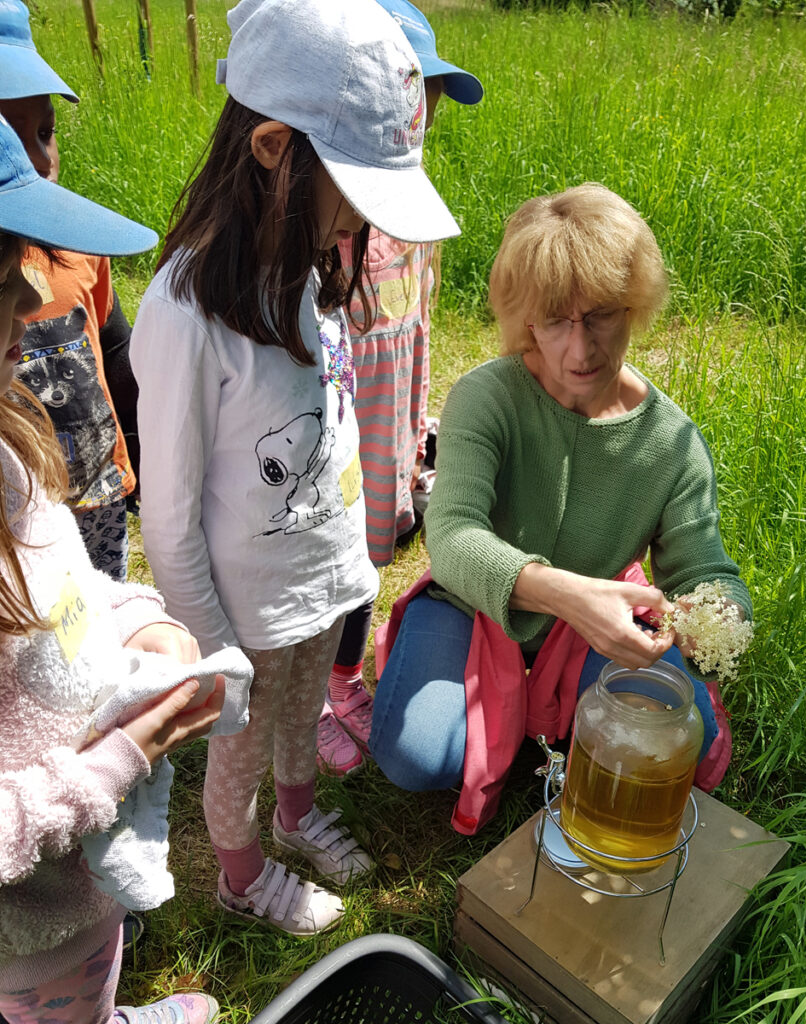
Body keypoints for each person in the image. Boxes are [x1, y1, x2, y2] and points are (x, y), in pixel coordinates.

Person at [130, 0, 459, 934]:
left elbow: (337, 418)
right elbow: (170, 514)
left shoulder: (310, 272)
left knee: (303, 710)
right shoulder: (185, 314)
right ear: (273, 150)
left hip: (322, 584)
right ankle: (239, 873)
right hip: (242, 616)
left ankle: (297, 811)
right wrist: (213, 646)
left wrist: (353, 562)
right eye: (353, 186)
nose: (361, 218)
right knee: (239, 745)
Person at [370, 183, 752, 834]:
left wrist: (715, 615)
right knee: (417, 754)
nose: (581, 350)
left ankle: (528, 714)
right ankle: (511, 714)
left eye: (600, 314)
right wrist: (566, 594)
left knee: (677, 738)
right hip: (475, 602)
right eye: (555, 320)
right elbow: (453, 535)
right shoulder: (485, 398)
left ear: (633, 306)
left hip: (597, 623)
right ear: (524, 319)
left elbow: (702, 568)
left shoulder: (672, 444)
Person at [0, 117, 224, 1024]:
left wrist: (139, 619)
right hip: (30, 926)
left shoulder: (7, 449)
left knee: (97, 972)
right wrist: (121, 758)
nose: (28, 290)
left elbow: (69, 587)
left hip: (81, 887)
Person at [317, 0, 483, 776]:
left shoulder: (413, 213)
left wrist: (418, 428)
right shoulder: (323, 224)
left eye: (431, 105)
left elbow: (417, 329)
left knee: (367, 565)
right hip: (328, 444)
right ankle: (307, 693)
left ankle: (345, 677)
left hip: (391, 432)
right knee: (323, 567)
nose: (424, 120)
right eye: (417, 97)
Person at [0, 1, 142, 582]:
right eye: (11, 135)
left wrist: (143, 462)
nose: (37, 156)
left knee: (104, 600)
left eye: (44, 132)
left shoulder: (81, 245)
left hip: (98, 487)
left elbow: (114, 351)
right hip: (23, 507)